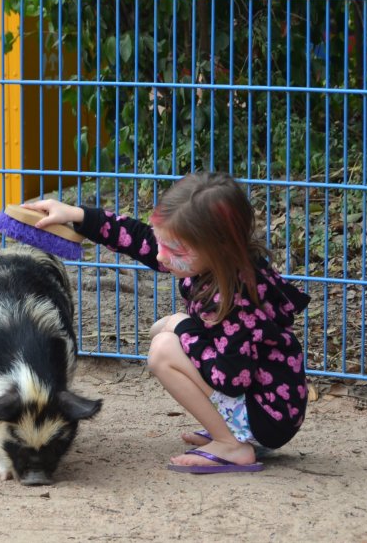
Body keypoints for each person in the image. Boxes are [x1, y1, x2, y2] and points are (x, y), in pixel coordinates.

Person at [27, 171, 310, 473]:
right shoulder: (220, 263)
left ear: (219, 247)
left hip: (268, 416)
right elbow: (139, 240)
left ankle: (232, 445)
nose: (161, 255)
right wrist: (77, 214)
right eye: (163, 241)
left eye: (174, 250)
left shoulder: (237, 297)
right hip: (263, 403)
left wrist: (181, 325)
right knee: (165, 331)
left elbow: (230, 378)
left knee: (163, 349)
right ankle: (232, 433)